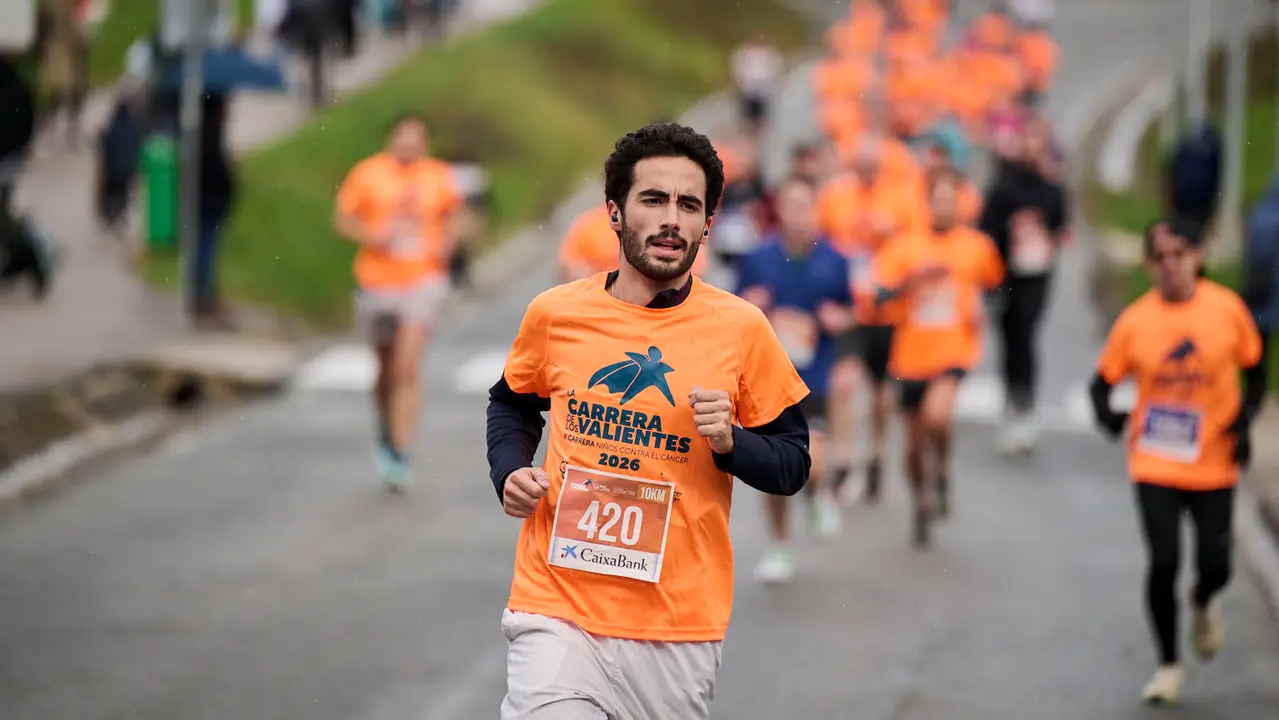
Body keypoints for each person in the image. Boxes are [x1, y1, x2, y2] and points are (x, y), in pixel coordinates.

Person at [485, 122, 811, 719]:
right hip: (556, 606)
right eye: (653, 200)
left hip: (676, 629)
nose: (672, 220)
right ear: (615, 212)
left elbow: (793, 462)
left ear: (708, 223)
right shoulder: (557, 314)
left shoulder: (740, 329)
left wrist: (730, 442)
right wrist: (509, 470)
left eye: (689, 205)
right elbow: (511, 401)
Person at [1088, 217, 1266, 706]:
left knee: (1216, 565)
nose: (1171, 266)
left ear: (1199, 256)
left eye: (1180, 254)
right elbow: (1101, 383)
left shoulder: (1226, 311)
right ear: (1148, 265)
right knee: (1163, 559)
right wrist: (1108, 416)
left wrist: (1244, 420)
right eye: (1160, 257)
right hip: (1155, 460)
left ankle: (1204, 600)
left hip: (1212, 459)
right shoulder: (1136, 321)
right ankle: (1168, 664)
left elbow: (1255, 370)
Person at [872, 167, 1004, 547]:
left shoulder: (976, 246)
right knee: (911, 447)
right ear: (926, 203)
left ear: (960, 203)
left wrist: (985, 311)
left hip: (955, 349)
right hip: (910, 355)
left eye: (951, 200)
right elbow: (879, 296)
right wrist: (912, 281)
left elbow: (999, 288)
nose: (944, 207)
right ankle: (921, 500)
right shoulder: (904, 246)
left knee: (938, 414)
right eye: (937, 200)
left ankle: (943, 468)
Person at [334, 114, 463, 490]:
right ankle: (386, 430)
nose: (409, 145)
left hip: (422, 279)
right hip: (376, 280)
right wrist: (372, 233)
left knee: (407, 367)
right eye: (402, 138)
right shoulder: (368, 174)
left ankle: (401, 450)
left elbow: (453, 215)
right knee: (385, 368)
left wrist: (447, 245)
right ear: (391, 140)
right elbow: (343, 219)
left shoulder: (438, 175)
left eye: (416, 139)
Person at [736, 175, 854, 582]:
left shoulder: (835, 260)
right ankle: (780, 545)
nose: (798, 215)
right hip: (767, 379)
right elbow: (733, 311)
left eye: (806, 206)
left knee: (811, 462)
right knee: (773, 467)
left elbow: (850, 311)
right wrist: (752, 305)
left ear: (816, 210)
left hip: (813, 377)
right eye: (791, 206)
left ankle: (818, 493)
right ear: (779, 210)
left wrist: (839, 321)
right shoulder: (759, 257)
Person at [817, 135, 925, 503]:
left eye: (872, 164)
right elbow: (824, 242)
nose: (866, 171)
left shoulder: (902, 199)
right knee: (843, 383)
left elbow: (916, 249)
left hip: (889, 312)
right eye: (860, 164)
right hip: (851, 308)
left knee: (882, 395)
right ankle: (844, 460)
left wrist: (887, 243)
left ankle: (875, 456)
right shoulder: (836, 195)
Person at [978, 116, 1070, 454]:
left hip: (1037, 275)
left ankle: (1026, 406)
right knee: (1009, 338)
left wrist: (1044, 234)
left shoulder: (1052, 189)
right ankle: (1011, 400)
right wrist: (1010, 231)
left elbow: (1062, 226)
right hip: (1005, 275)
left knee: (1027, 335)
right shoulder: (1004, 187)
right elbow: (985, 229)